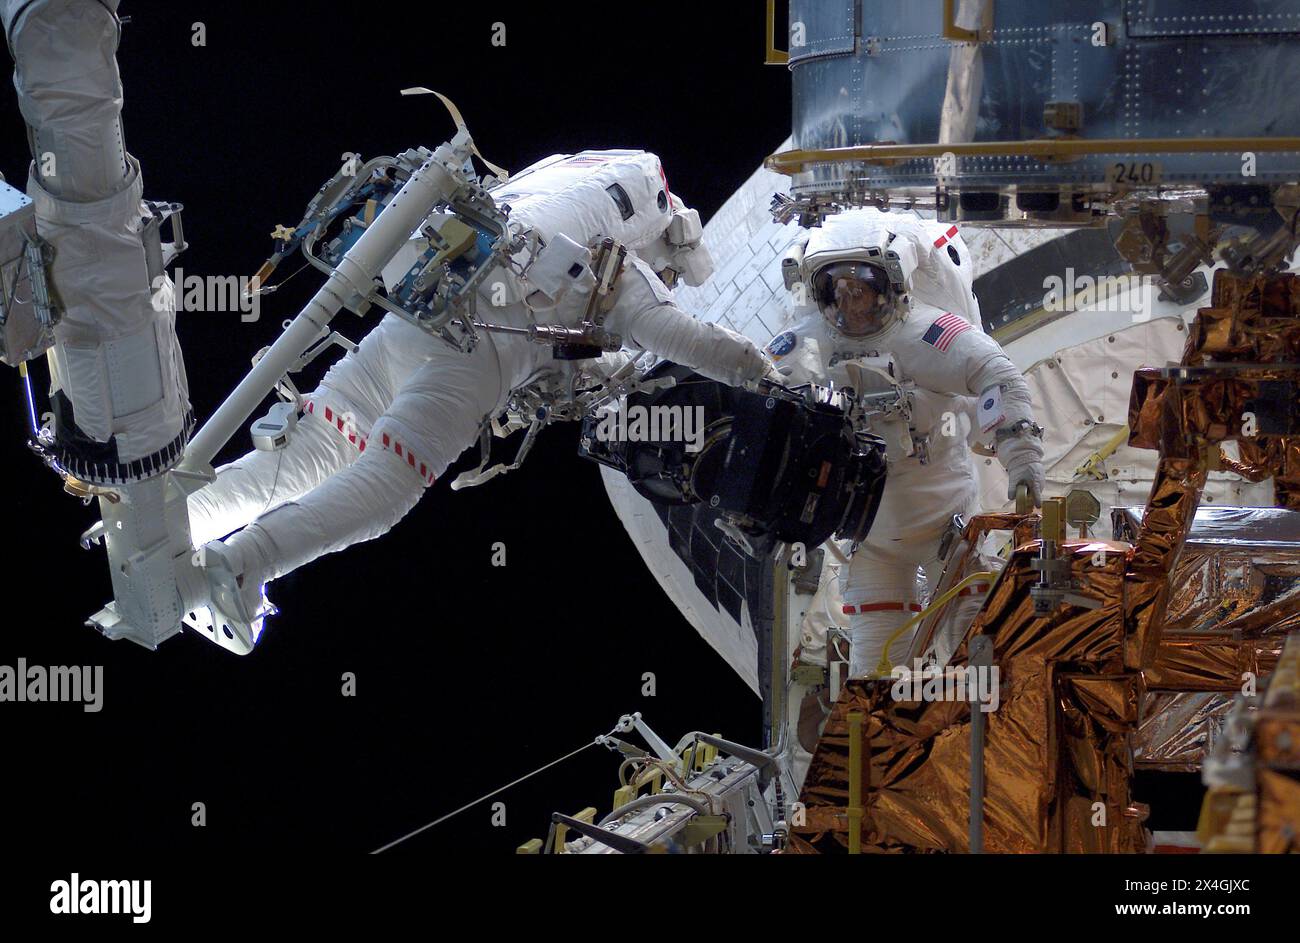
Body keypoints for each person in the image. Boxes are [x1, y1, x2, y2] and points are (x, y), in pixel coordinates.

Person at [188, 150, 775, 650]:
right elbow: (683, 338)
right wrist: (768, 374)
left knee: (315, 446)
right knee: (386, 486)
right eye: (669, 277)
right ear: (665, 241)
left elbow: (573, 358)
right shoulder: (623, 265)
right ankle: (246, 562)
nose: (665, 284)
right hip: (464, 363)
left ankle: (183, 517)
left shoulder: (554, 185)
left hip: (408, 325)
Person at [770, 209, 1044, 676]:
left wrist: (1022, 463)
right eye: (839, 292)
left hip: (949, 532)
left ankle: (986, 739)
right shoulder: (806, 343)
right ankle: (891, 744)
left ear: (891, 282)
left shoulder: (930, 333)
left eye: (861, 289)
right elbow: (765, 396)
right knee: (874, 678)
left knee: (980, 659)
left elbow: (1000, 381)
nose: (852, 303)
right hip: (873, 541)